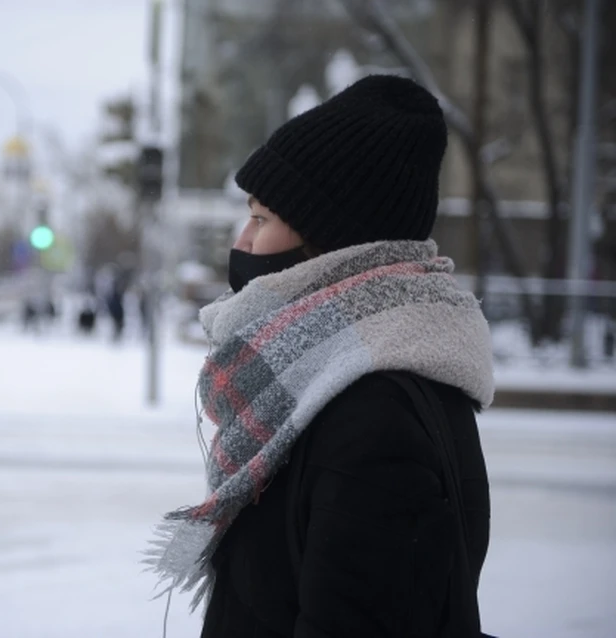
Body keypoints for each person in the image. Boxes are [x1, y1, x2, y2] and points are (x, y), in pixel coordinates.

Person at [146, 75, 495, 638]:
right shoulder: (332, 383)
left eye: (260, 219)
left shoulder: (372, 419)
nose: (243, 242)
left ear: (331, 239)